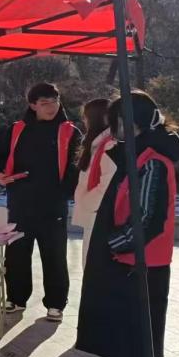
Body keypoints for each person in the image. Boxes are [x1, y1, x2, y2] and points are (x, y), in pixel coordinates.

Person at [76, 90, 179, 357]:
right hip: (130, 258)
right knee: (128, 323)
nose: (120, 130)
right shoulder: (138, 154)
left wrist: (114, 244)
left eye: (126, 123)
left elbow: (147, 218)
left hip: (138, 260)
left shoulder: (152, 162)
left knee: (136, 323)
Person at [0, 83, 82, 321]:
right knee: (17, 253)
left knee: (54, 255)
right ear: (32, 105)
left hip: (53, 205)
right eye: (44, 103)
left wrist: (63, 192)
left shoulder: (70, 132)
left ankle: (56, 304)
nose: (51, 107)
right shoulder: (17, 129)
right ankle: (16, 297)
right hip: (20, 202)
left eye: (54, 101)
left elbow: (76, 166)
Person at [71, 98, 116, 262]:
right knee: (90, 264)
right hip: (94, 214)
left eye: (85, 117)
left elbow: (107, 183)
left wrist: (88, 201)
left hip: (99, 215)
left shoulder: (110, 144)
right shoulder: (96, 143)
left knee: (93, 265)